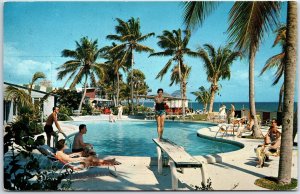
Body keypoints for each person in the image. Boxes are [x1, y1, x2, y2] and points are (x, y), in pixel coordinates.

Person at [56, 139, 120, 168]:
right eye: (65, 144)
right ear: (62, 146)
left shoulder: (60, 152)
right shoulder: (59, 153)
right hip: (75, 163)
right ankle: (109, 162)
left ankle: (109, 162)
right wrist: (81, 158)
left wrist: (76, 154)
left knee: (91, 159)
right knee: (91, 158)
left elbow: (67, 158)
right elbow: (69, 160)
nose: (66, 145)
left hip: (76, 162)